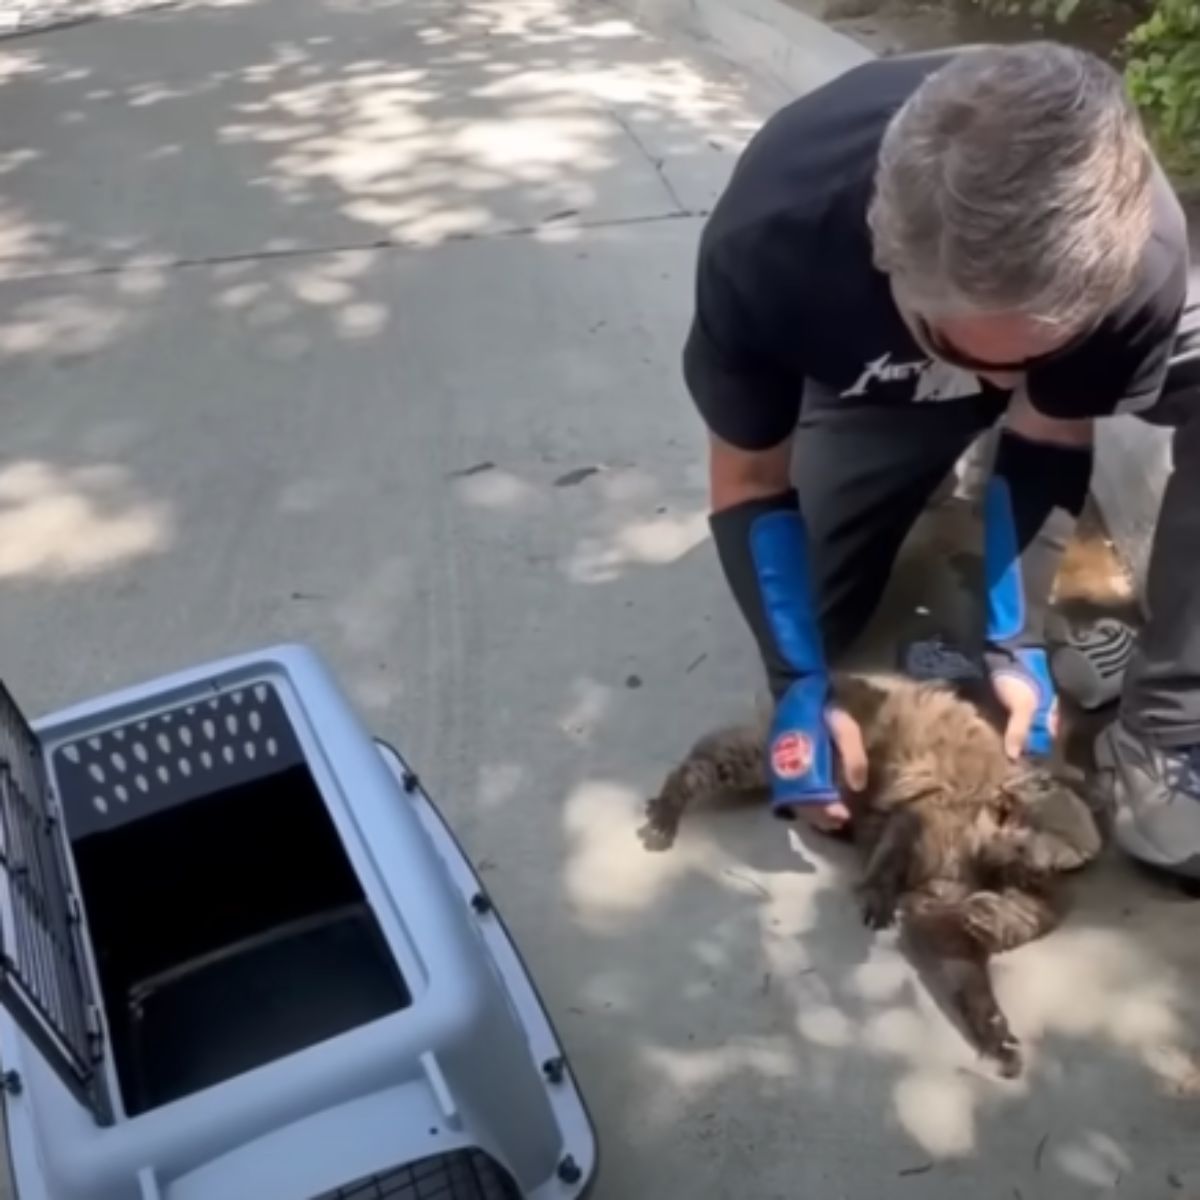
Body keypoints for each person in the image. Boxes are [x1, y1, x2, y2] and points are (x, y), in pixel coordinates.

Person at [682, 42, 1200, 877]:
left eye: (1038, 353)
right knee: (813, 638)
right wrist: (795, 682)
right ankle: (917, 454)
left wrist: (1014, 639)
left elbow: (1051, 426)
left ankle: (1171, 725)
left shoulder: (1144, 254)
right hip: (879, 379)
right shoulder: (774, 245)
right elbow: (747, 477)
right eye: (970, 350)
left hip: (1048, 323)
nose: (1005, 381)